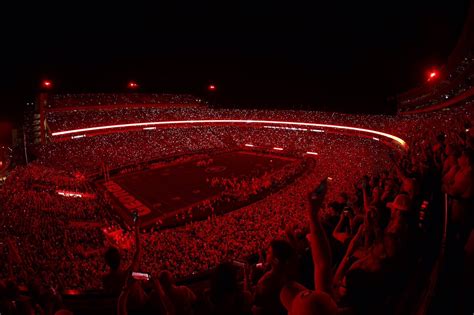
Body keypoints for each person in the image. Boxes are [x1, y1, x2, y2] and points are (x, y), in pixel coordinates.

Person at [253, 239, 296, 315]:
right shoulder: (288, 274)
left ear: (276, 260)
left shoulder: (266, 282)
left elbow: (257, 307)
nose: (266, 253)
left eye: (269, 252)